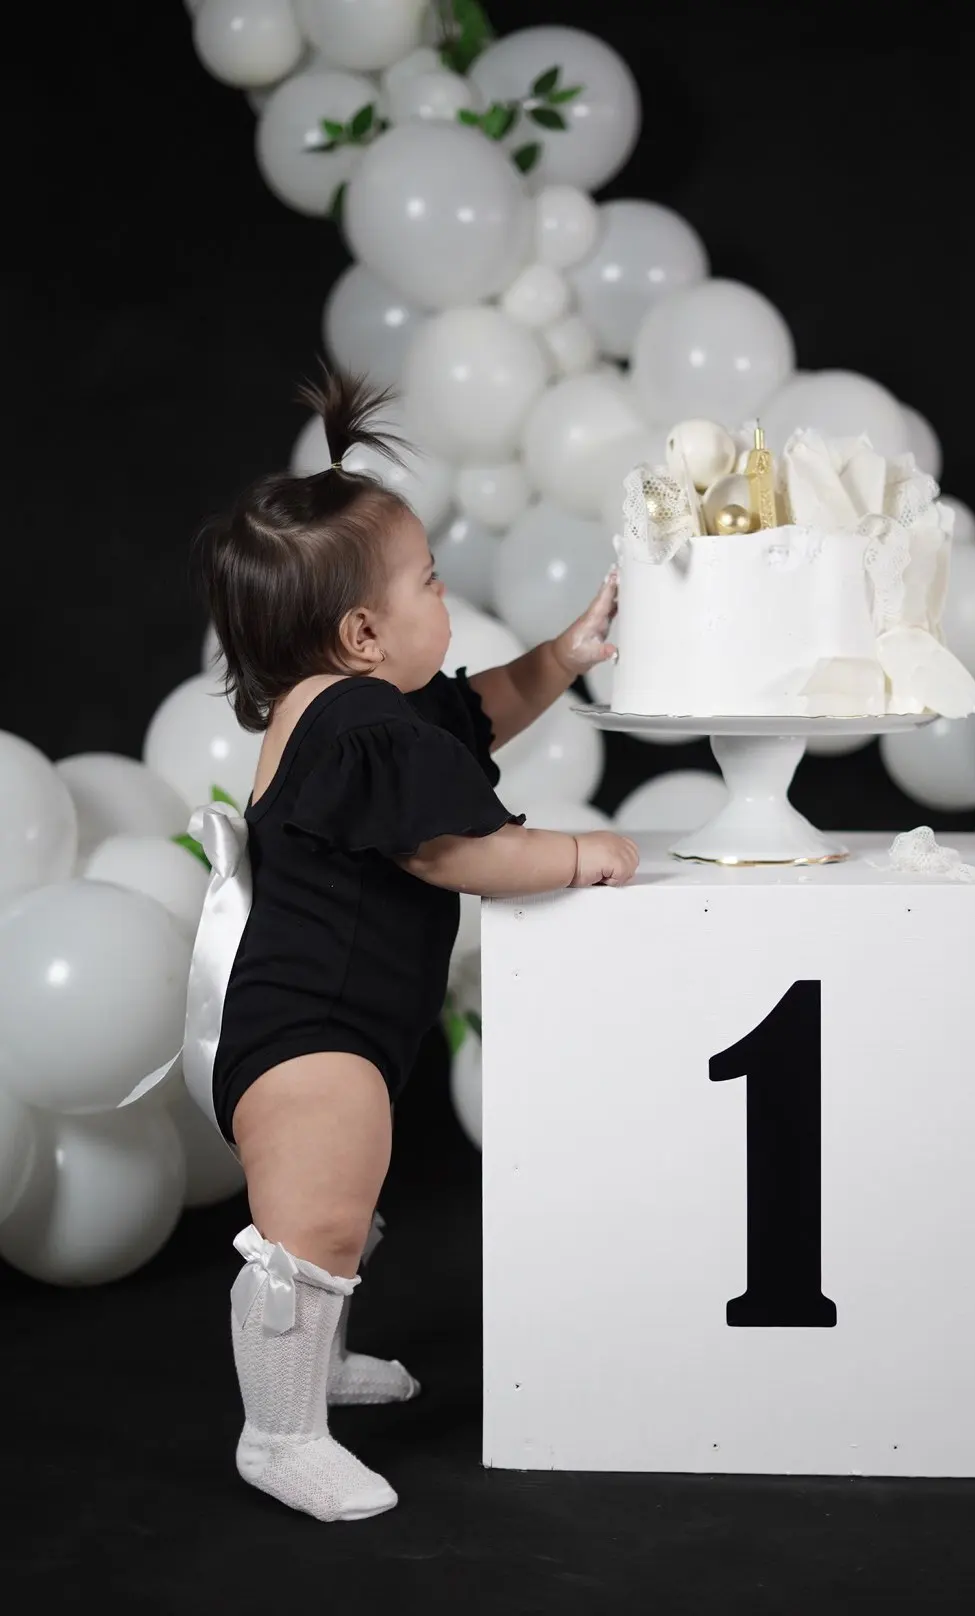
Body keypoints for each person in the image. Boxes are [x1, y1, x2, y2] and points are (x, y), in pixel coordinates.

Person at [191, 369, 639, 1524]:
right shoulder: (348, 721)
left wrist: (563, 654)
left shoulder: (375, 707)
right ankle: (279, 1430)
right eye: (430, 579)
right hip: (307, 1028)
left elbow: (477, 709)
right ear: (362, 632)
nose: (446, 595)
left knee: (345, 1201)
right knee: (316, 1216)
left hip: (341, 1018)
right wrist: (577, 853)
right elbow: (450, 850)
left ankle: (317, 1362)